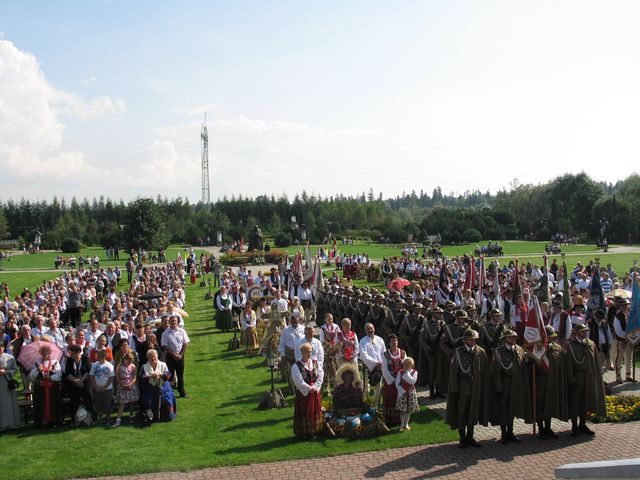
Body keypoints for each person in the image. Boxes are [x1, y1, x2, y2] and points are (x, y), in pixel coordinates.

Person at [445, 328, 490, 449]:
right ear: (465, 340)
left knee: (473, 411)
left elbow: (484, 372)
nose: (473, 342)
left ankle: (470, 436)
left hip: (476, 386)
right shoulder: (458, 352)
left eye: (474, 339)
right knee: (462, 412)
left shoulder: (481, 352)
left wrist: (484, 388)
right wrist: (454, 389)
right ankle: (462, 437)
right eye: (470, 339)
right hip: (462, 385)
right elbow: (453, 372)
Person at [489, 329, 531, 444]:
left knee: (512, 409)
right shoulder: (498, 351)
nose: (513, 339)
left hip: (515, 383)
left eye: (514, 337)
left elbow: (522, 367)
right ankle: (504, 433)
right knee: (503, 409)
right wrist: (498, 387)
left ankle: (511, 432)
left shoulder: (519, 350)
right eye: (510, 337)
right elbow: (495, 371)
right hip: (504, 383)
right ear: (505, 338)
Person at [565, 323, 606, 436]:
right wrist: (571, 380)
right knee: (575, 402)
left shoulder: (590, 344)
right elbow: (569, 365)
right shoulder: (570, 346)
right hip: (577, 377)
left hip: (589, 378)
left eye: (585, 331)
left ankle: (582, 425)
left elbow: (596, 361)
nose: (585, 333)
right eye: (582, 331)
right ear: (576, 333)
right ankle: (574, 426)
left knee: (585, 401)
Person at [530, 325, 568, 439]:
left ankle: (548, 427)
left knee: (550, 403)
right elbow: (529, 363)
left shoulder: (557, 347)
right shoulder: (537, 347)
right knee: (540, 404)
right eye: (549, 337)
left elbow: (561, 363)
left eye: (552, 337)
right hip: (540, 379)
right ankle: (541, 428)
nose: (551, 338)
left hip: (552, 380)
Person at [291, 342, 324, 440]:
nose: (310, 353)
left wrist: (316, 386)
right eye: (308, 352)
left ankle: (316, 431)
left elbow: (320, 375)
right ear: (302, 352)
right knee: (305, 411)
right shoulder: (296, 366)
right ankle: (304, 433)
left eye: (310, 351)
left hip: (315, 393)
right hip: (304, 394)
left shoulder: (314, 363)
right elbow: (298, 381)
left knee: (315, 410)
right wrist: (309, 389)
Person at [29, 343, 63, 427]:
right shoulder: (37, 362)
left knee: (53, 404)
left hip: (52, 388)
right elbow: (31, 377)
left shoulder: (55, 362)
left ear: (50, 352)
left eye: (47, 351)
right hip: (41, 389)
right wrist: (37, 370)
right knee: (41, 404)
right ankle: (42, 421)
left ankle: (53, 420)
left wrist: (50, 377)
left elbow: (59, 375)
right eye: (43, 351)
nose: (45, 353)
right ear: (40, 352)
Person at [139, 349, 176, 424]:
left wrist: (161, 375)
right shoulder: (144, 367)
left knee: (167, 398)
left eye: (154, 357)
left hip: (163, 386)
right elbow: (141, 378)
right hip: (150, 388)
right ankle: (150, 417)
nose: (153, 359)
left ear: (157, 356)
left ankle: (167, 416)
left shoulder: (163, 364)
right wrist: (150, 376)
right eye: (151, 357)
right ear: (147, 358)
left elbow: (168, 375)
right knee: (148, 400)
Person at [161, 314, 190, 398]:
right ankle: (169, 392)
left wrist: (180, 354)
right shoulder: (165, 333)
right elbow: (165, 346)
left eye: (175, 321)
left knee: (180, 375)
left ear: (178, 322)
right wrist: (174, 355)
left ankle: (182, 392)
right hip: (170, 357)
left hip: (180, 356)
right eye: (172, 321)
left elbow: (185, 343)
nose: (173, 322)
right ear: (169, 322)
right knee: (170, 375)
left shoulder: (182, 331)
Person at [358, 322, 386, 408]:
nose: (370, 330)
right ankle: (365, 407)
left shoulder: (380, 340)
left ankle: (375, 407)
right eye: (368, 329)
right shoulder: (363, 341)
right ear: (365, 330)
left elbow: (384, 353)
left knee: (378, 389)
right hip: (367, 368)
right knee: (365, 389)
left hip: (379, 369)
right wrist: (375, 363)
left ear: (374, 328)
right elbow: (363, 355)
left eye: (371, 328)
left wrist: (382, 363)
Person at [64, 344, 92, 425]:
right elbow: (67, 373)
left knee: (87, 400)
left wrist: (81, 381)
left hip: (84, 383)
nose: (71, 355)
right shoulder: (69, 360)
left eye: (72, 353)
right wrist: (76, 381)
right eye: (70, 353)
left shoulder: (85, 358)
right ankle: (75, 420)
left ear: (78, 352)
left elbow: (88, 371)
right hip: (73, 384)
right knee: (74, 402)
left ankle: (90, 418)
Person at [381, 334, 406, 426]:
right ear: (389, 343)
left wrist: (402, 378)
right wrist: (393, 380)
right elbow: (384, 369)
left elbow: (406, 366)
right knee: (391, 398)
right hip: (390, 382)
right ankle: (390, 419)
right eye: (392, 341)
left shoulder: (403, 353)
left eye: (395, 340)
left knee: (400, 398)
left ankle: (401, 419)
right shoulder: (385, 354)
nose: (394, 342)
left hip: (401, 381)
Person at [278, 315, 305, 394]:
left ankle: (302, 388)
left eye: (296, 322)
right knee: (291, 373)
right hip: (290, 355)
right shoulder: (286, 330)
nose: (294, 324)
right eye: (292, 322)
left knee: (302, 373)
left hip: (301, 355)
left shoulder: (303, 328)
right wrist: (283, 355)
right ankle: (293, 390)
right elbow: (282, 343)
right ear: (290, 322)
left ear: (298, 320)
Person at [113, 352, 140, 427]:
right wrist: (122, 384)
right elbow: (117, 377)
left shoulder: (133, 366)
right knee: (122, 403)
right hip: (122, 385)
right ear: (125, 359)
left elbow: (134, 377)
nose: (129, 362)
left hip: (131, 385)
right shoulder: (119, 366)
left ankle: (131, 416)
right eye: (128, 360)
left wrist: (130, 384)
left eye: (131, 360)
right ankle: (118, 420)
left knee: (131, 402)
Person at [90, 348, 115, 424]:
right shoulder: (94, 365)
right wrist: (95, 386)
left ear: (104, 356)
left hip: (107, 389)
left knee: (108, 404)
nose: (97, 358)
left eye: (99, 356)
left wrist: (105, 387)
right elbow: (92, 376)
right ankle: (100, 418)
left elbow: (111, 377)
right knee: (98, 404)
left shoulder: (109, 365)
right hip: (97, 389)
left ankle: (108, 419)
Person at [0, 342, 20, 431]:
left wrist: (6, 372)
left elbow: (15, 369)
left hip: (6, 382)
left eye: (1, 347)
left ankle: (11, 423)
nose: (0, 348)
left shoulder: (10, 357)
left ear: (4, 347)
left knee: (8, 404)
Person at [395, 356, 419, 431]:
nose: (406, 367)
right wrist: (402, 391)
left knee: (409, 409)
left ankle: (406, 424)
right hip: (403, 393)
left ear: (411, 365)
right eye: (405, 365)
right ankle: (402, 424)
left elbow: (412, 381)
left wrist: (407, 373)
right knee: (403, 409)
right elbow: (397, 383)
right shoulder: (400, 372)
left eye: (408, 365)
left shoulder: (414, 372)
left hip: (411, 393)